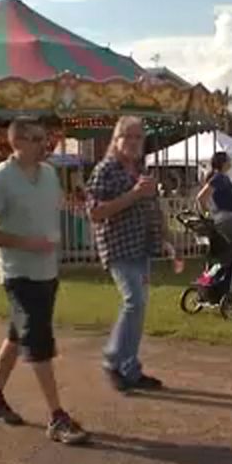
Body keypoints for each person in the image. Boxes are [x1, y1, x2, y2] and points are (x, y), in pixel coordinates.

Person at [0, 119, 88, 445]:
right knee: (38, 339)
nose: (44, 144)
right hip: (17, 272)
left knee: (17, 335)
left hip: (47, 271)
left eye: (45, 138)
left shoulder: (49, 174)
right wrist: (25, 243)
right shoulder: (0, 179)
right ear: (17, 142)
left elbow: (55, 206)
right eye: (37, 139)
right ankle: (57, 417)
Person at [86, 116, 179, 393]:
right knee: (133, 302)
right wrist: (133, 195)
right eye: (130, 136)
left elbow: (151, 206)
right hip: (119, 246)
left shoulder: (139, 171)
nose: (136, 142)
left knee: (138, 309)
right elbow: (95, 211)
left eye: (140, 137)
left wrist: (164, 236)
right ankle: (113, 360)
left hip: (141, 246)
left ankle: (130, 368)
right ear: (117, 140)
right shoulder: (106, 171)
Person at [197, 151, 232, 249]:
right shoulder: (218, 178)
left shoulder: (224, 178)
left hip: (231, 217)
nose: (231, 161)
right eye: (229, 159)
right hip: (226, 218)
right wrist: (207, 216)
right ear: (223, 163)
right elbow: (201, 198)